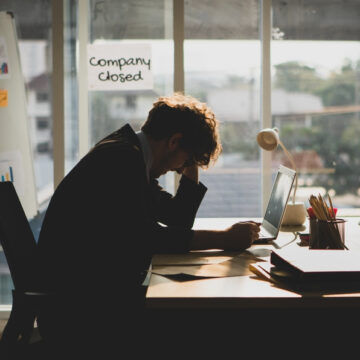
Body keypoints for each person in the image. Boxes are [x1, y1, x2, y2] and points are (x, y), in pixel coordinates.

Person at [36, 93, 260, 355]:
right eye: (185, 162)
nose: (179, 170)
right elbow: (146, 239)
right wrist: (223, 240)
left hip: (86, 294)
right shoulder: (120, 159)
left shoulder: (132, 156)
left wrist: (192, 160)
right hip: (79, 310)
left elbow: (177, 217)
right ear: (174, 141)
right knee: (207, 325)